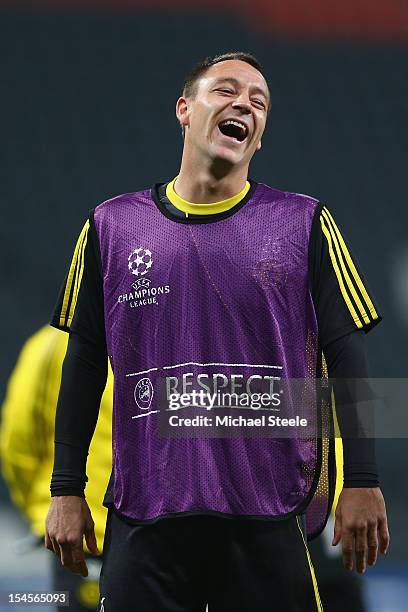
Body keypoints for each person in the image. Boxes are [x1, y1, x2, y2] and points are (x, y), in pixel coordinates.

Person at [45, 51, 389, 612]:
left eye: (259, 102)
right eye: (226, 91)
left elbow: (347, 355)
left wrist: (362, 479)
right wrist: (66, 489)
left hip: (267, 517)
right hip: (144, 517)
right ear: (185, 109)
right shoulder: (111, 226)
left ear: (259, 138)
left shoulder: (304, 224)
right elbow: (83, 365)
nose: (244, 106)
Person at [1, 325, 113, 610]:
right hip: (143, 534)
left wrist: (42, 513)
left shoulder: (48, 345)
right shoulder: (159, 340)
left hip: (76, 537)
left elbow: (18, 443)